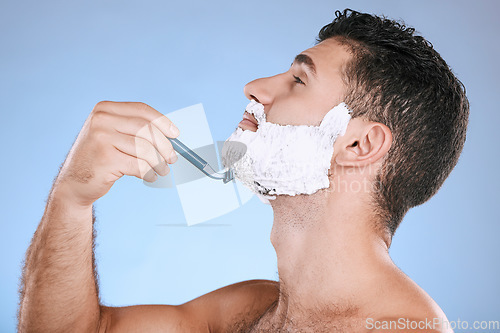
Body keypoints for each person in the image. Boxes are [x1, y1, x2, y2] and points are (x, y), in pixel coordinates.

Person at [17, 9, 468, 333]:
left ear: (359, 144)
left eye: (298, 79)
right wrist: (72, 200)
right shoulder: (251, 308)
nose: (254, 88)